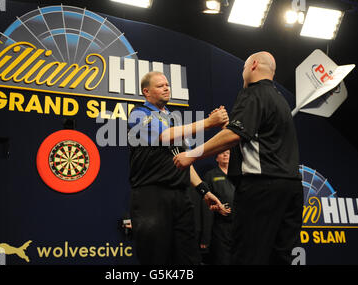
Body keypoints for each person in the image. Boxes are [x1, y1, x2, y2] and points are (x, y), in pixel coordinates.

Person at [173, 52, 303, 265]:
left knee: (247, 257)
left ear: (253, 65)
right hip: (291, 189)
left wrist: (192, 154)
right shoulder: (280, 99)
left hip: (262, 189)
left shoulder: (253, 93)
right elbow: (257, 140)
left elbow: (234, 135)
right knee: (279, 258)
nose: (242, 74)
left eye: (243, 68)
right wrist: (228, 127)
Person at [127, 71, 227, 265]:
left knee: (188, 259)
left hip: (181, 198)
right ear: (146, 92)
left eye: (167, 84)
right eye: (160, 85)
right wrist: (208, 123)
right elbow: (163, 136)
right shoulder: (138, 114)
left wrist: (203, 190)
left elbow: (183, 160)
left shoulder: (174, 120)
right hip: (151, 198)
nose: (166, 88)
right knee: (156, 260)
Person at [202, 150, 235, 265]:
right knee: (222, 259)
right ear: (216, 159)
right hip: (220, 226)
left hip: (238, 225)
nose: (225, 155)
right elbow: (206, 204)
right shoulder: (210, 176)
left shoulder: (239, 174)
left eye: (228, 153)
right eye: (222, 153)